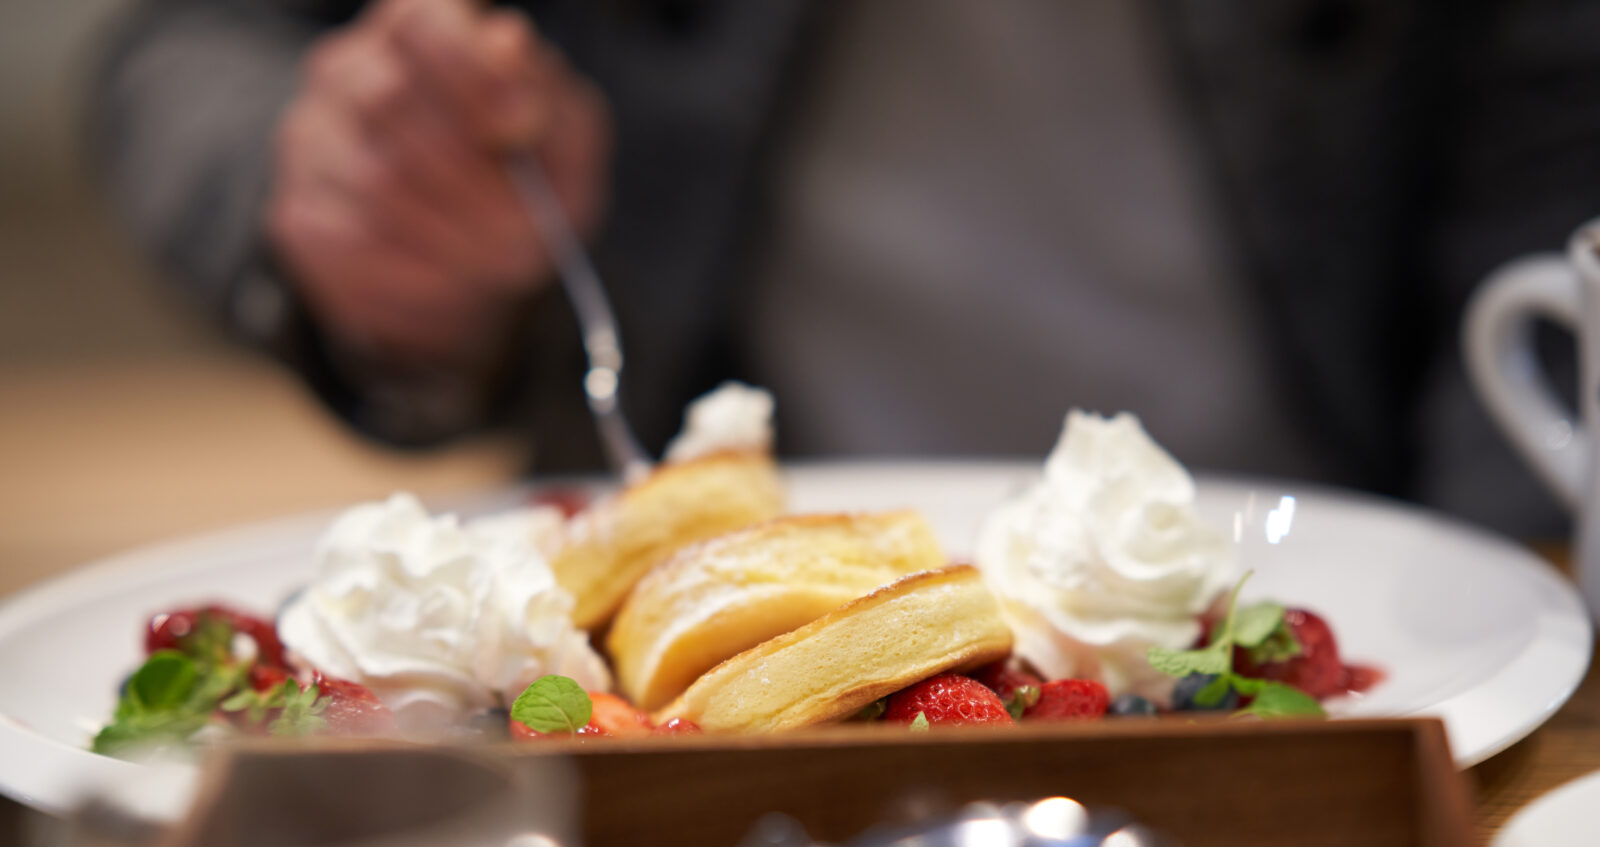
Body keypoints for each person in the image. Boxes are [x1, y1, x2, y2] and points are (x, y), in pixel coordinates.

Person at [90, 0, 1600, 536]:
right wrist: (351, 188)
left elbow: (1558, 173)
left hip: (1327, 562)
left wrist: (1501, 624)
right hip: (674, 581)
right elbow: (182, 45)